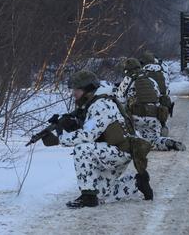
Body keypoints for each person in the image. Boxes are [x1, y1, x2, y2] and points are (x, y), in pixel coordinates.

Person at [53, 70, 154, 208]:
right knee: (100, 194)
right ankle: (137, 184)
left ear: (88, 89)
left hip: (118, 151)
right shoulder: (98, 101)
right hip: (117, 150)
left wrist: (60, 138)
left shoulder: (101, 105)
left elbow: (88, 135)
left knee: (82, 150)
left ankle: (87, 197)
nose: (73, 94)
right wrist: (72, 125)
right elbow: (92, 128)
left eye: (77, 90)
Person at [117, 58, 185, 151]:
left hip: (135, 118)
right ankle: (167, 142)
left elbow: (120, 100)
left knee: (131, 138)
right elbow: (158, 97)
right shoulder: (151, 80)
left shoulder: (127, 80)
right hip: (154, 117)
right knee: (154, 139)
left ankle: (138, 142)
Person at [139, 51, 174, 136]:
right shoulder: (162, 70)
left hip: (147, 101)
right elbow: (167, 87)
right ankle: (163, 125)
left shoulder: (142, 72)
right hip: (163, 102)